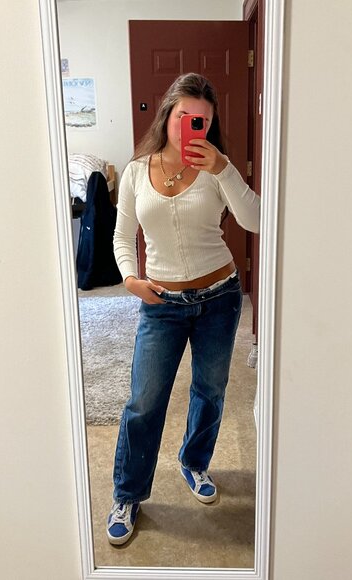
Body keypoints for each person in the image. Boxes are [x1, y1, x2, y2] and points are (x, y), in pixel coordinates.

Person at [107, 73, 260, 545]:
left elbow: (256, 220)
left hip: (219, 297)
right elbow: (122, 235)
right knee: (144, 401)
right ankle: (128, 493)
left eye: (202, 120)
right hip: (161, 303)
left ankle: (194, 462)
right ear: (167, 113)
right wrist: (130, 279)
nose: (191, 126)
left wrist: (225, 169)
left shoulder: (217, 169)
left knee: (210, 391)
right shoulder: (137, 171)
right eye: (184, 116)